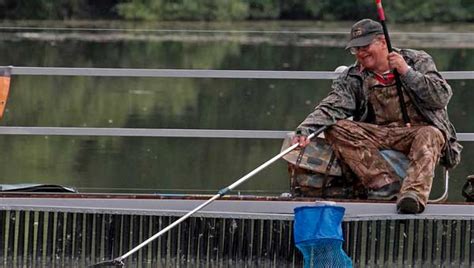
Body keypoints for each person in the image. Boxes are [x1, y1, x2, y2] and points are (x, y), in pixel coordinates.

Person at [292, 18, 462, 214]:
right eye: (356, 49)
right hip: (378, 134)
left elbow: (440, 97)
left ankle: (412, 196)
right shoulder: (353, 75)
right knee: (335, 127)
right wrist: (306, 129)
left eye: (365, 46)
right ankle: (384, 184)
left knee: (430, 133)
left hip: (418, 132)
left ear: (383, 42)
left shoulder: (417, 60)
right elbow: (332, 106)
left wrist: (407, 72)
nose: (361, 53)